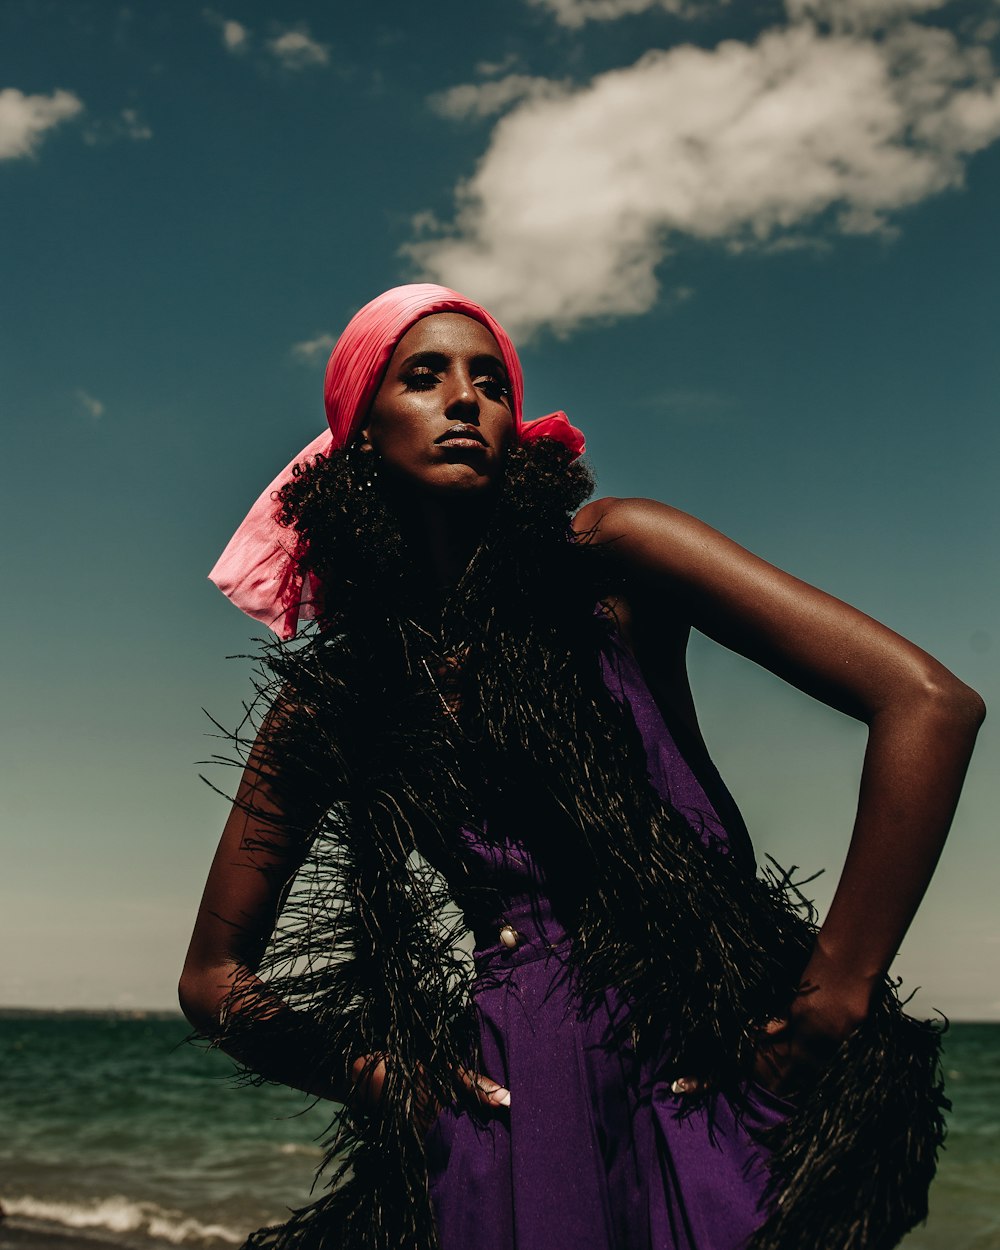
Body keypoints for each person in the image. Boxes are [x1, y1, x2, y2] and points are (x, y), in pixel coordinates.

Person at [180, 283, 984, 1250]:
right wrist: (390, 1080)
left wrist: (834, 998)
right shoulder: (340, 691)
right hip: (512, 1104)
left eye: (491, 382)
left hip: (713, 1061)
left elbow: (930, 707)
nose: (466, 400)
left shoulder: (613, 557)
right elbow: (213, 979)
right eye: (423, 377)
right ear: (359, 434)